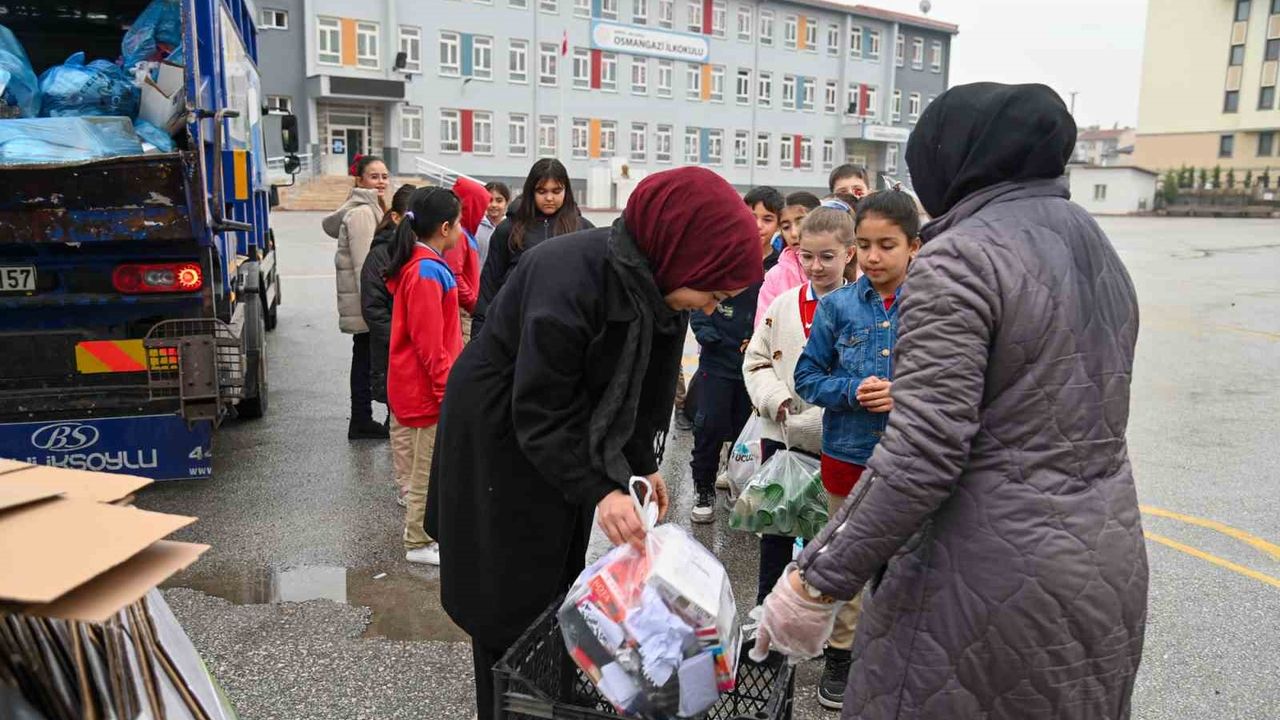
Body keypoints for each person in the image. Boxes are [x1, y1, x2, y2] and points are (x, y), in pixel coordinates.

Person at [755, 82, 1147, 719]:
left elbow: (924, 451)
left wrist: (814, 581)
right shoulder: (1092, 243)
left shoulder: (959, 259)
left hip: (987, 569)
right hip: (1105, 556)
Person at [424, 167, 764, 720]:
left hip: (563, 432)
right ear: (685, 256)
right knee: (506, 596)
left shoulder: (659, 285)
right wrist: (601, 490)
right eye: (712, 292)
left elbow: (644, 392)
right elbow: (541, 409)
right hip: (501, 438)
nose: (709, 307)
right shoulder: (566, 275)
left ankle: (545, 690)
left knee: (558, 569)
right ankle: (509, 704)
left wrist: (639, 467)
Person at [782, 190, 918, 710]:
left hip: (914, 458)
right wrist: (851, 390)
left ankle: (900, 654)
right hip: (847, 456)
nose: (874, 257)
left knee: (910, 560)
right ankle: (841, 654)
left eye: (888, 245)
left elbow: (959, 378)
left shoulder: (935, 306)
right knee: (847, 560)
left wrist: (905, 392)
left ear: (914, 247)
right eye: (865, 245)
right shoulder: (837, 307)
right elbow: (807, 378)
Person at [385, 187, 466, 566]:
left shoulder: (423, 264)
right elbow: (430, 346)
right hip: (425, 391)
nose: (462, 231)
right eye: (459, 223)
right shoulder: (426, 271)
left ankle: (426, 535)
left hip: (422, 387)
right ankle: (417, 541)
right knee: (425, 471)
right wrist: (446, 392)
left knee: (429, 467)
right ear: (445, 228)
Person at [687, 219, 768, 521]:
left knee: (744, 431)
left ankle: (738, 483)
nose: (758, 226)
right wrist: (710, 337)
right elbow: (698, 308)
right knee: (708, 427)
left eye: (768, 218)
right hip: (716, 363)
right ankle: (703, 488)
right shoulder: (716, 264)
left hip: (752, 367)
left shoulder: (772, 271)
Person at [471, 159, 594, 338]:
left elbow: (594, 289)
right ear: (531, 191)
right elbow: (490, 286)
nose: (549, 198)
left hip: (568, 335)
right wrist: (478, 336)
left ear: (566, 191)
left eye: (556, 191)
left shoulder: (583, 230)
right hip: (516, 332)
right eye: (542, 191)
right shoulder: (509, 229)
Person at [324, 154, 389, 440]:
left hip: (366, 304)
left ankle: (362, 418)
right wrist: (374, 307)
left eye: (384, 176)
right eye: (374, 177)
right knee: (367, 361)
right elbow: (366, 266)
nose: (381, 182)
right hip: (367, 304)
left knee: (364, 358)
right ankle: (362, 419)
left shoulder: (372, 207)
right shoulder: (363, 213)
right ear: (360, 180)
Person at [361, 183, 417, 506]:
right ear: (395, 217)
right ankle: (407, 486)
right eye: (411, 216)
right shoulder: (380, 256)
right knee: (401, 422)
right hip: (394, 354)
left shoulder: (422, 253)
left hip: (418, 354)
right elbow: (373, 311)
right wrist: (404, 339)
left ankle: (419, 483)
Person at [755, 192, 820, 328]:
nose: (794, 233)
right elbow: (764, 328)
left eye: (801, 222)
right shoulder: (775, 276)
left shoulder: (842, 266)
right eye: (786, 227)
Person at [444, 177, 490, 343]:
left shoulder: (466, 234)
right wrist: (473, 304)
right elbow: (454, 275)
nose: (484, 214)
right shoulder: (460, 236)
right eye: (481, 207)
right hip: (463, 311)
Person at [744, 186, 784, 271]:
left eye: (767, 220)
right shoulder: (728, 259)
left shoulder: (782, 266)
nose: (758, 225)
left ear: (779, 225)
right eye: (751, 217)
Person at [476, 181, 510, 266]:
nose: (494, 205)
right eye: (490, 200)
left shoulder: (511, 228)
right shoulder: (476, 227)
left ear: (507, 203)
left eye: (499, 201)